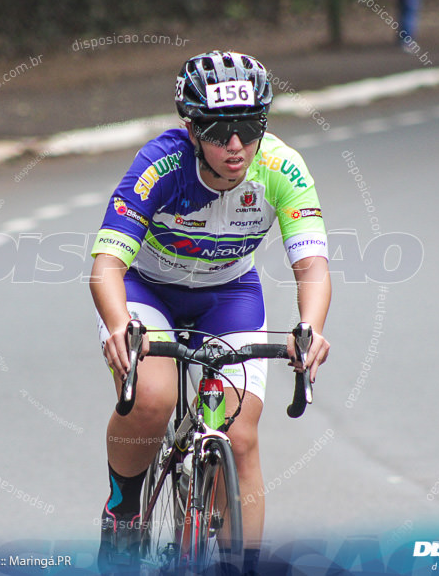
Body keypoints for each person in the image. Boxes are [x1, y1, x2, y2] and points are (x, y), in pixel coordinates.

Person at [88, 51, 332, 574]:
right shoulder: (161, 165)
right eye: (219, 131)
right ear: (191, 129)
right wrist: (117, 327)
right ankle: (124, 511)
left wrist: (311, 327)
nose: (236, 145)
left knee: (240, 436)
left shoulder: (281, 168)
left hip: (228, 292)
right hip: (147, 288)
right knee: (153, 400)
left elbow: (311, 266)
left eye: (248, 127)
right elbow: (106, 265)